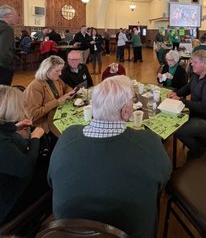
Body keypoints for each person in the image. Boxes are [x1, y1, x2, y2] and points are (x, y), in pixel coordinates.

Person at [48, 75, 171, 237]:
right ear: (126, 112)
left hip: (65, 232)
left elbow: (51, 180)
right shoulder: (149, 142)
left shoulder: (67, 136)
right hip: (131, 232)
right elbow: (164, 178)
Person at [168, 50, 206, 160]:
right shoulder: (198, 74)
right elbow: (188, 87)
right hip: (200, 114)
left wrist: (182, 101)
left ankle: (201, 149)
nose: (191, 64)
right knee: (173, 121)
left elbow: (205, 107)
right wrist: (177, 93)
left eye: (194, 62)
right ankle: (200, 144)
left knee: (179, 130)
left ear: (205, 63)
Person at [0, 85, 46, 225]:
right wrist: (35, 138)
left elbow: (3, 129)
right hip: (10, 201)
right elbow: (25, 168)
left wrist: (15, 127)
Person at [24, 56, 75, 135]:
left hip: (58, 115)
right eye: (57, 71)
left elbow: (66, 87)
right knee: (71, 133)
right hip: (45, 124)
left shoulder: (55, 79)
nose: (60, 73)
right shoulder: (35, 87)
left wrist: (71, 92)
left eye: (61, 70)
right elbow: (33, 115)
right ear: (46, 70)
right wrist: (58, 101)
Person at [0, 5, 18, 86]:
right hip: (2, 69)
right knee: (3, 94)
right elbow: (4, 52)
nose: (17, 17)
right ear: (7, 16)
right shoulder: (7, 29)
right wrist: (8, 67)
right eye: (15, 15)